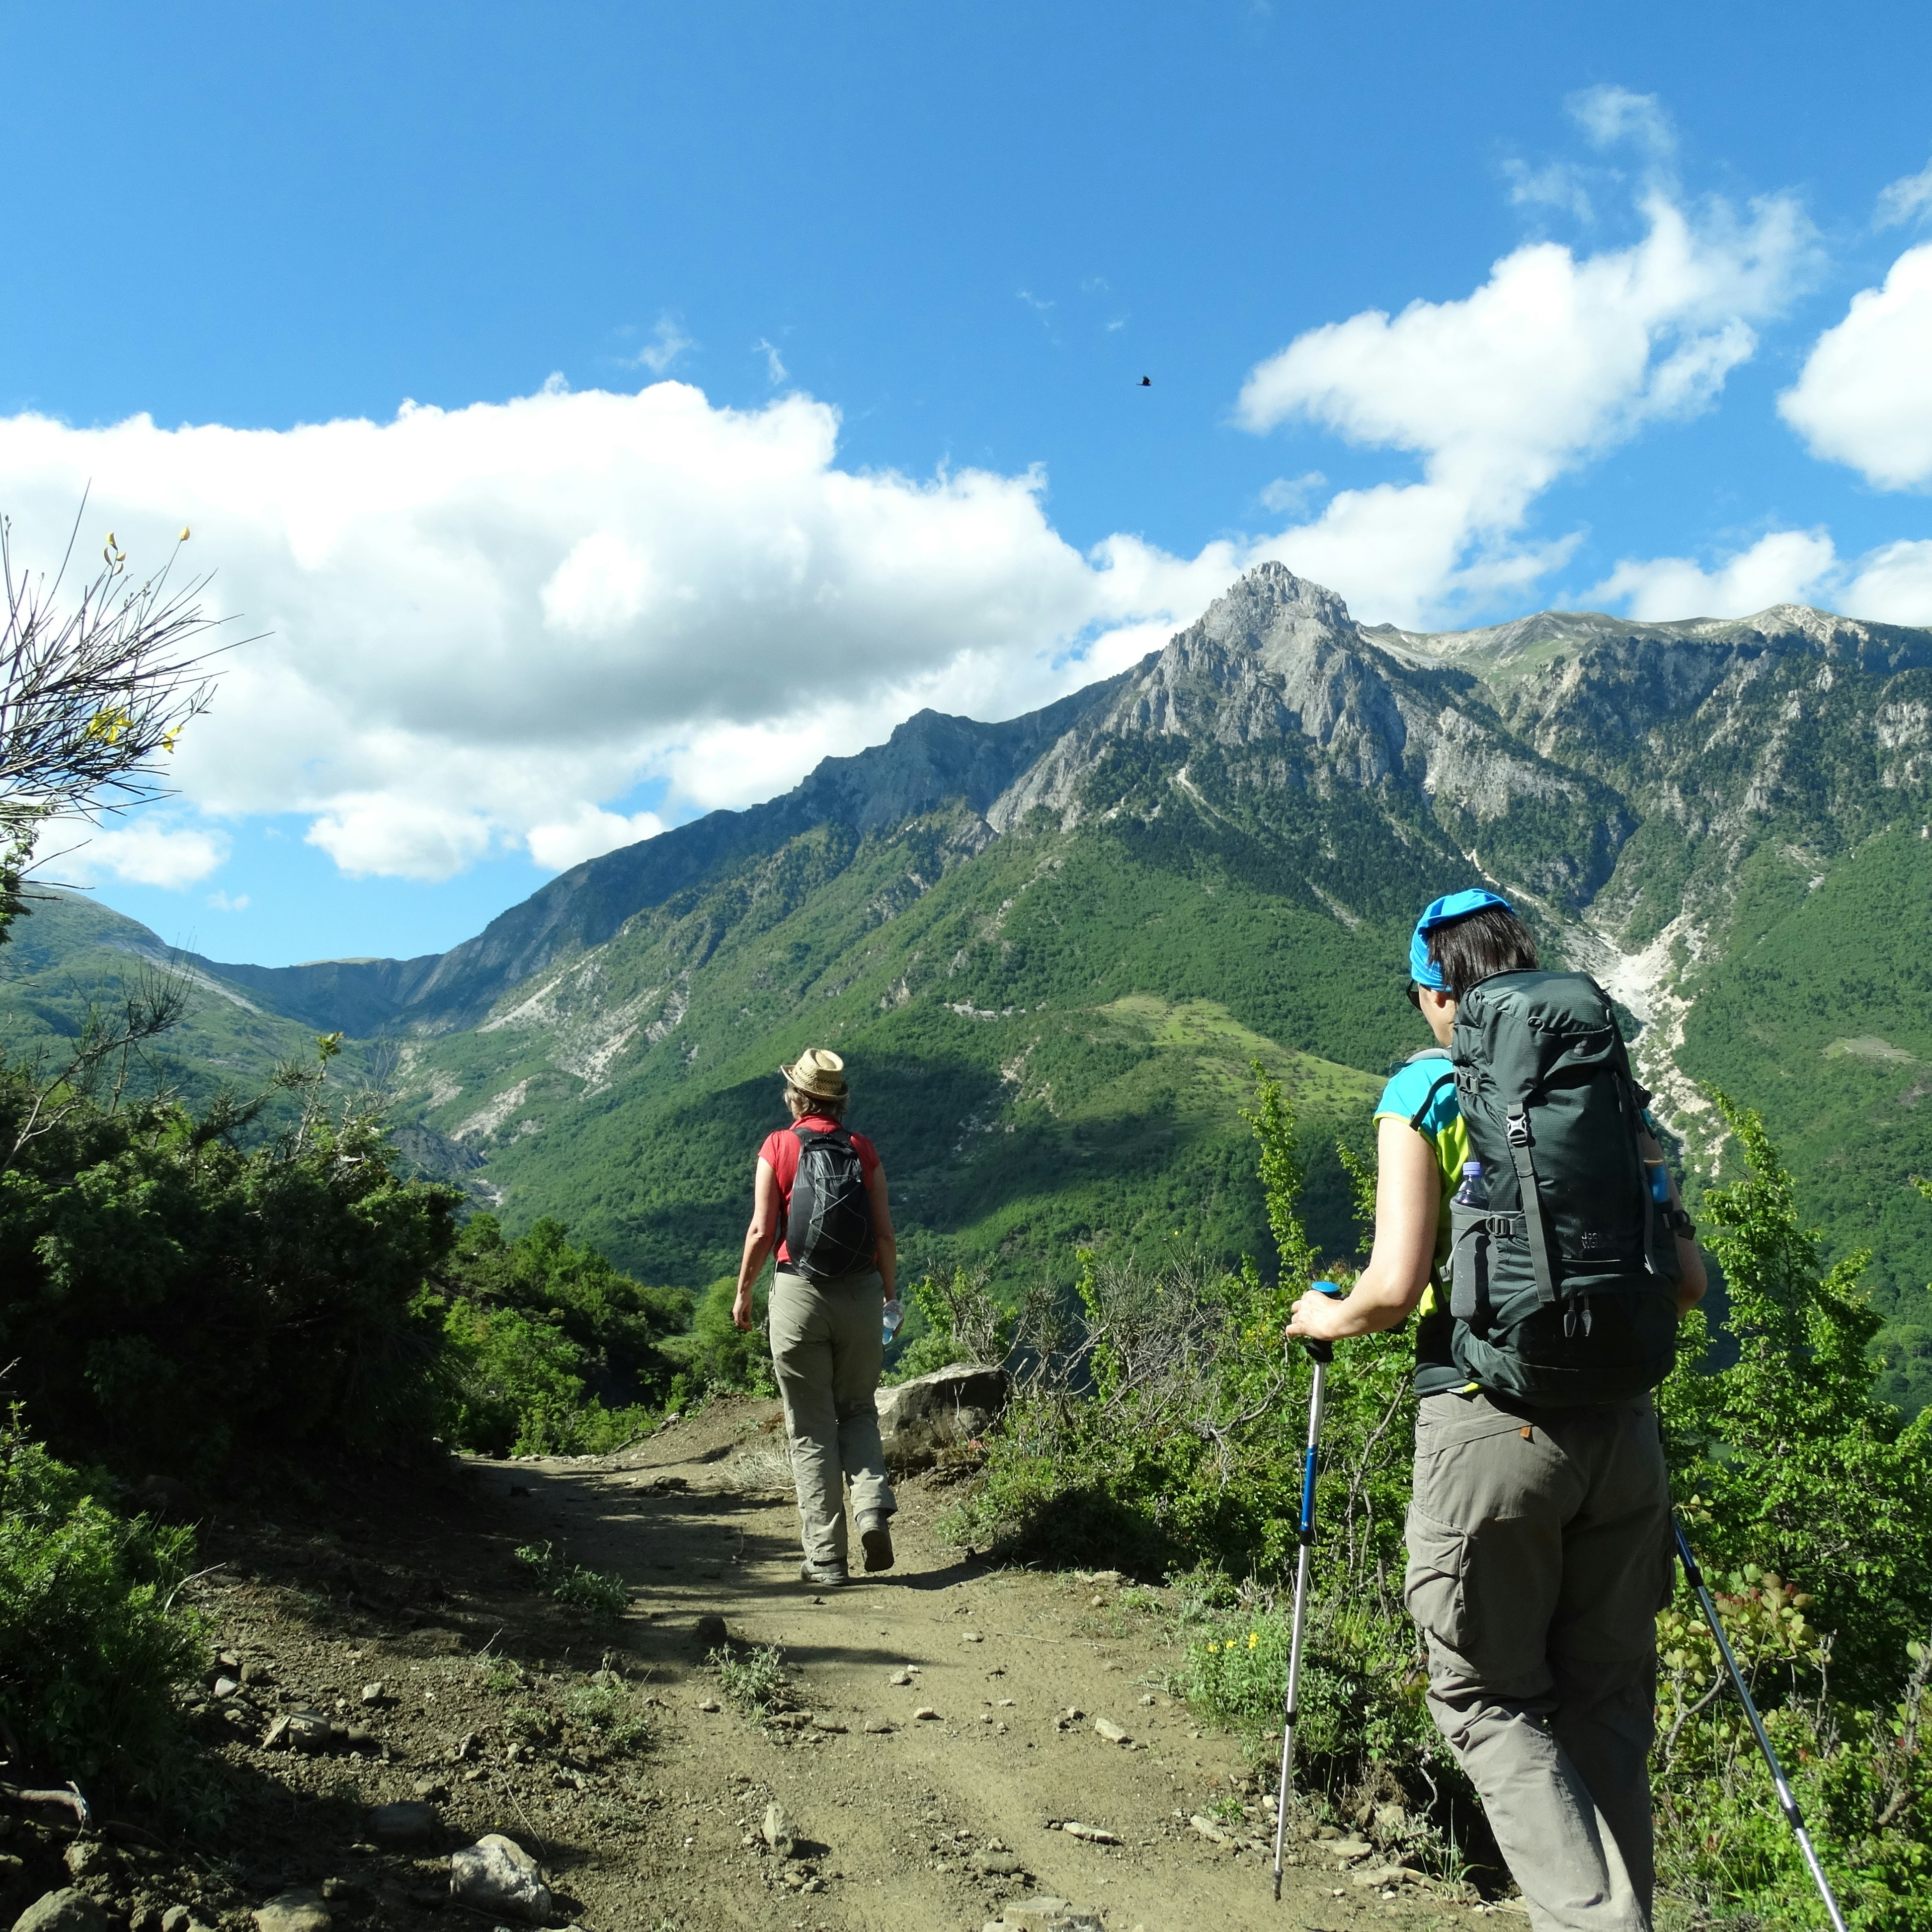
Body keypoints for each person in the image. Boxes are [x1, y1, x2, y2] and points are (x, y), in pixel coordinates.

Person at [1288, 891, 1706, 1932]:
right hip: (1625, 1433)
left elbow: (1390, 1294)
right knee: (1608, 1703)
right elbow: (1688, 1282)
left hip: (1494, 1426)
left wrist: (1322, 1317)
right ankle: (1619, 1915)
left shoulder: (1426, 1091)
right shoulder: (1620, 1096)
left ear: (1436, 991)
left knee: (1485, 1699)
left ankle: (1597, 1927)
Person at [732, 1047, 898, 1587]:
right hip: (860, 1296)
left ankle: (826, 1558)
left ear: (796, 1096)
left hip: (799, 1296)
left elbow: (761, 1231)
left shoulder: (778, 1146)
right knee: (857, 1410)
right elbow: (884, 1235)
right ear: (839, 1098)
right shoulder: (862, 1149)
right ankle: (871, 1509)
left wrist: (745, 1294)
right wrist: (888, 1297)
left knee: (810, 1429)